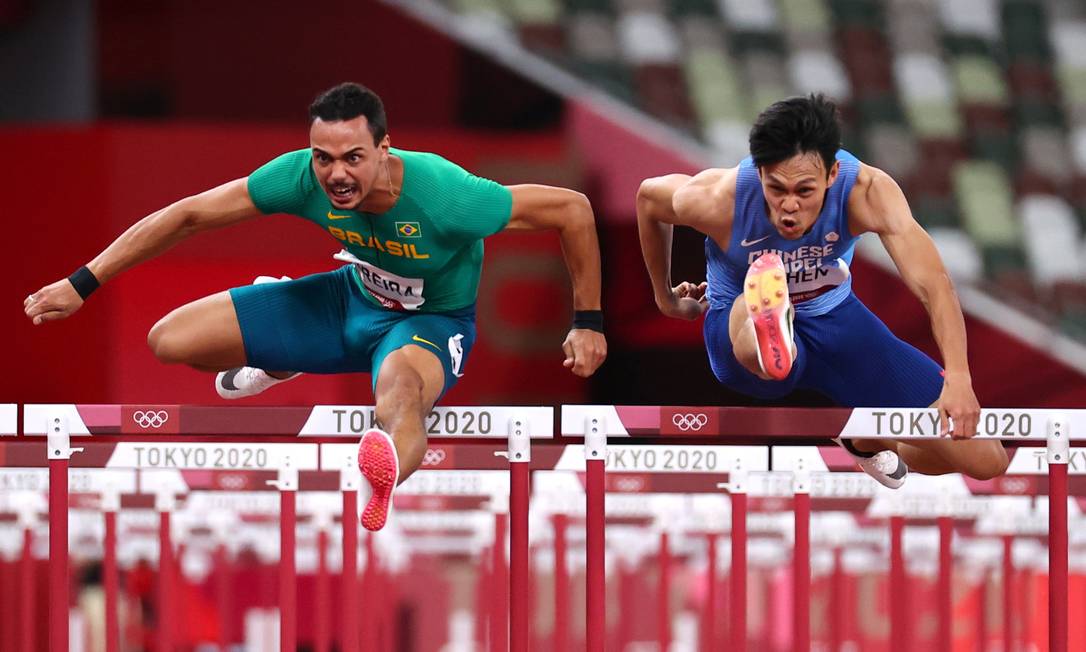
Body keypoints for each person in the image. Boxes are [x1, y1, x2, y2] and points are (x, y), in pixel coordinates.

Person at [24, 82, 607, 529]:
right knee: (170, 341)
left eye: (353, 157)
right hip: (345, 300)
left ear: (384, 148)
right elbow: (188, 215)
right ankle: (283, 359)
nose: (336, 175)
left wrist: (587, 321)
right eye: (323, 158)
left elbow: (572, 210)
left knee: (400, 398)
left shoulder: (447, 196)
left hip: (428, 324)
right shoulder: (299, 177)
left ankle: (380, 478)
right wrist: (83, 282)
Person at [636, 94, 1008, 486]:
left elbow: (933, 283)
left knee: (985, 460)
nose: (789, 206)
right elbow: (648, 199)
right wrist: (666, 298)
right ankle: (772, 328)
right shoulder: (717, 198)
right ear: (760, 172)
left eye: (805, 191)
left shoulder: (867, 191)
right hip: (738, 333)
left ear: (832, 174)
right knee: (755, 301)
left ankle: (869, 440)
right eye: (776, 189)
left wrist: (960, 380)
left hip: (836, 321)